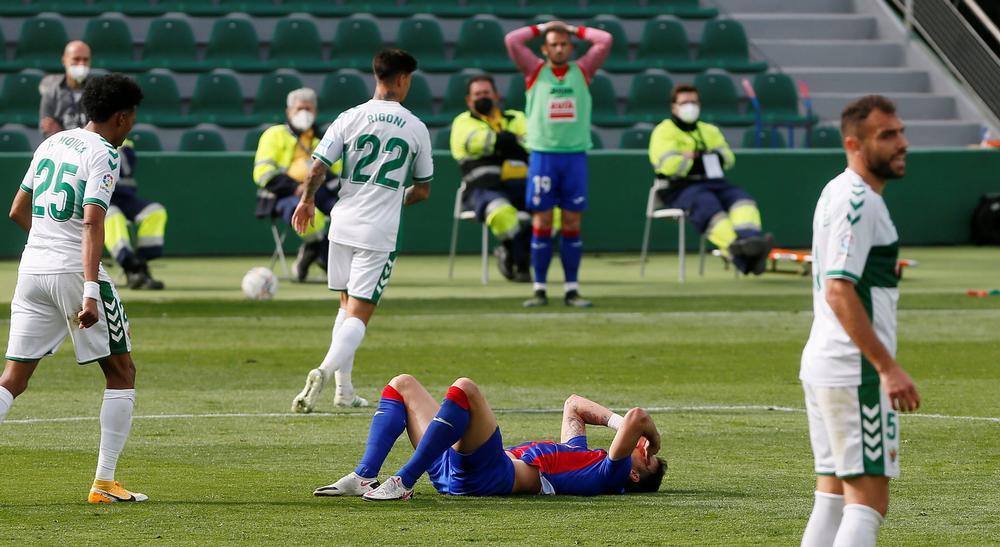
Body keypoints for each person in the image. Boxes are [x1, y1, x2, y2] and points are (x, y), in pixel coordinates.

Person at [2, 74, 148, 504]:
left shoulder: (52, 142)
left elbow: (16, 210)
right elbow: (91, 221)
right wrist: (87, 288)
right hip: (72, 272)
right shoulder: (104, 152)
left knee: (12, 378)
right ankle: (104, 483)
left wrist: (46, 243)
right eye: (133, 117)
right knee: (121, 372)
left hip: (31, 270)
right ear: (121, 117)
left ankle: (106, 483)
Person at [799, 95, 921, 547]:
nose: (901, 143)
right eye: (887, 136)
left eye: (901, 132)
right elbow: (839, 288)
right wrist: (886, 368)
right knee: (868, 502)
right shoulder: (859, 201)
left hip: (827, 364)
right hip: (855, 372)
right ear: (854, 143)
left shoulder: (836, 189)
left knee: (831, 497)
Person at [290, 49, 432, 412]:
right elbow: (423, 190)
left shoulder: (349, 117)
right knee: (360, 314)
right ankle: (323, 371)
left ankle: (345, 390)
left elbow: (316, 169)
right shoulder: (416, 127)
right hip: (378, 232)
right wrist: (392, 200)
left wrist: (307, 201)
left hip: (343, 223)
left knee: (345, 305)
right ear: (402, 79)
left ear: (377, 75)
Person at [313, 374, 665, 500]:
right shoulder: (583, 458)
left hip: (489, 474)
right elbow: (574, 406)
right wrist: (623, 428)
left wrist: (654, 440)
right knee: (402, 385)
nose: (641, 448)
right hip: (460, 467)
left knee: (465, 388)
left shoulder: (611, 475)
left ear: (633, 474)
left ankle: (404, 479)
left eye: (644, 457)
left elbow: (638, 418)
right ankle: (364, 476)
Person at [41, 40, 168, 289]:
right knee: (110, 216)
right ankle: (129, 267)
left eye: (85, 60)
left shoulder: (100, 91)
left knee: (155, 211)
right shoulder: (53, 94)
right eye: (76, 60)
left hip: (121, 188)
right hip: (87, 183)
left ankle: (140, 266)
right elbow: (54, 134)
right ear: (63, 61)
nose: (81, 65)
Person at [505, 20, 612, 307]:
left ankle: (571, 289)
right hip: (543, 156)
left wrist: (573, 28)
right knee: (542, 220)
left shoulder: (583, 71)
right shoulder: (535, 71)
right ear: (545, 48)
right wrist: (543, 26)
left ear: (571, 47)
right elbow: (512, 41)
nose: (560, 48)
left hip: (574, 156)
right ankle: (539, 288)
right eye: (554, 44)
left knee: (572, 221)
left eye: (564, 43)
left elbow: (605, 40)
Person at [648, 84, 770, 275]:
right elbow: (668, 164)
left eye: (694, 102)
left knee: (743, 201)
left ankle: (750, 241)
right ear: (674, 107)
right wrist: (701, 159)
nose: (690, 106)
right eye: (685, 102)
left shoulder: (709, 130)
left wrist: (692, 157)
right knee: (707, 205)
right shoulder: (663, 131)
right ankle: (741, 254)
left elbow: (728, 158)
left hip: (714, 182)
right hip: (679, 186)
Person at [253, 88, 343, 282]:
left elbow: (338, 171)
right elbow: (262, 173)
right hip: (284, 195)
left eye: (308, 109)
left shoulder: (325, 137)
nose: (304, 113)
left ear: (315, 112)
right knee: (313, 217)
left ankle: (312, 253)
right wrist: (295, 187)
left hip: (321, 192)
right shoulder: (274, 135)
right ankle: (329, 264)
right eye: (299, 108)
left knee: (345, 214)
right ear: (289, 112)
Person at [450, 74, 531, 282]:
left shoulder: (516, 117)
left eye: (486, 93)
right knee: (500, 211)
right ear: (469, 100)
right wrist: (509, 141)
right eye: (477, 94)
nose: (482, 97)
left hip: (520, 185)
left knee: (553, 211)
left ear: (496, 95)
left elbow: (533, 142)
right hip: (482, 188)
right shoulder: (463, 121)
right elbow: (474, 142)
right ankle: (520, 259)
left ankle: (510, 250)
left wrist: (502, 142)